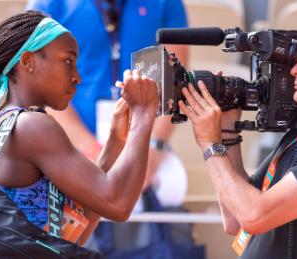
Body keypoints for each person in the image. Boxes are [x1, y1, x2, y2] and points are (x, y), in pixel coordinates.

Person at [0, 11, 159, 245]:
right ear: (28, 61)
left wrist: (115, 143)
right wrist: (143, 114)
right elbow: (118, 205)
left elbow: (69, 238)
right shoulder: (32, 126)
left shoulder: (6, 122)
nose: (77, 77)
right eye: (68, 61)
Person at [178, 13, 297, 258]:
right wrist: (226, 131)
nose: (294, 70)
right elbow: (235, 219)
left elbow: (253, 215)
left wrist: (209, 142)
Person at [25, 0, 188, 195]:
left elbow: (176, 81)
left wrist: (153, 147)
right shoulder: (48, 4)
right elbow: (39, 86)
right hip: (70, 144)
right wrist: (89, 149)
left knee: (167, 191)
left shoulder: (166, 3)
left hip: (145, 139)